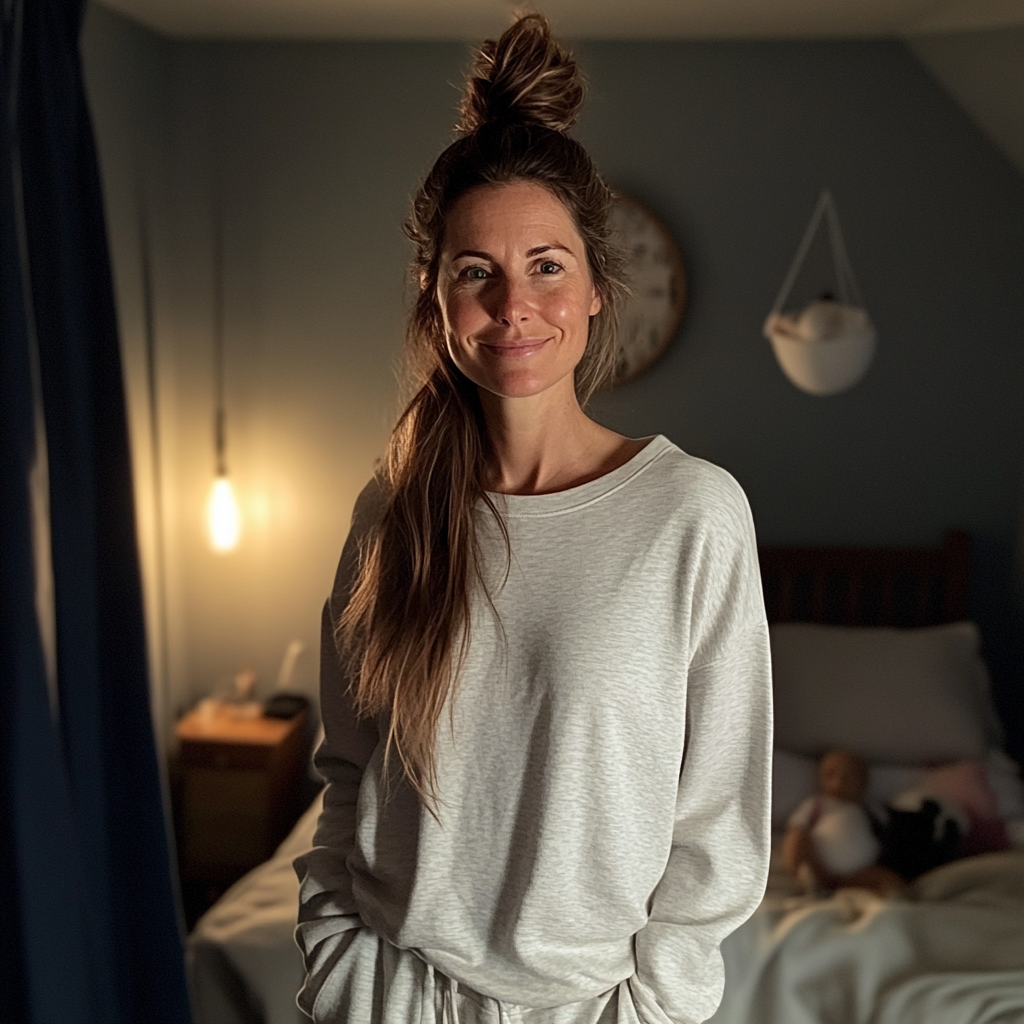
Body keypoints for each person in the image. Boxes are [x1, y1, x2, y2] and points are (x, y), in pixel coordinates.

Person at [294, 14, 772, 1024]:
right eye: (476, 272)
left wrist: (649, 1008)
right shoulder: (391, 511)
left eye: (546, 264)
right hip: (391, 992)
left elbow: (718, 821)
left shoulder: (690, 514)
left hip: (591, 1008)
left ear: (598, 288)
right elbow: (346, 766)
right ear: (435, 300)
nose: (514, 303)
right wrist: (340, 964)